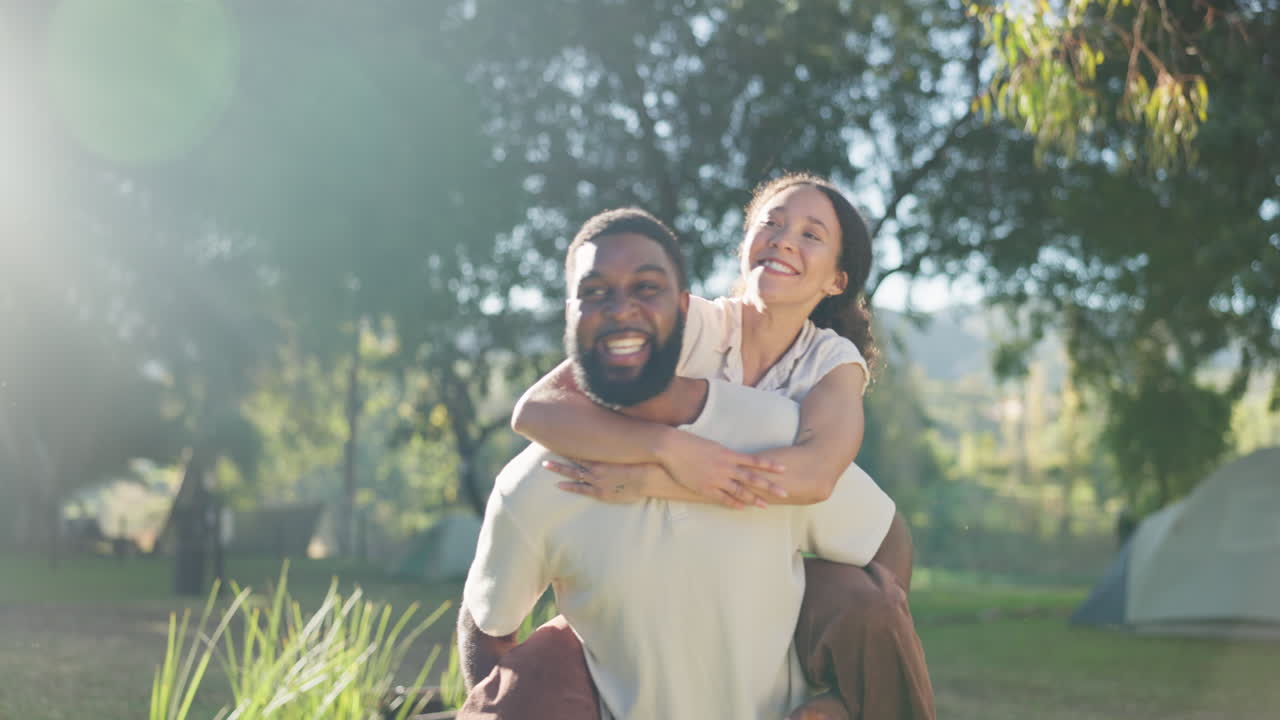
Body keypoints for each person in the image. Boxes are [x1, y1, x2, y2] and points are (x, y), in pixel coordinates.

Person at [458, 208, 931, 720]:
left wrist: (846, 700)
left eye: (646, 288)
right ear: (568, 313)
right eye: (595, 292)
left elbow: (882, 539)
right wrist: (670, 451)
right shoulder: (538, 484)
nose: (621, 309)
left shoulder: (774, 432)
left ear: (682, 308)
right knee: (536, 670)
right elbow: (488, 633)